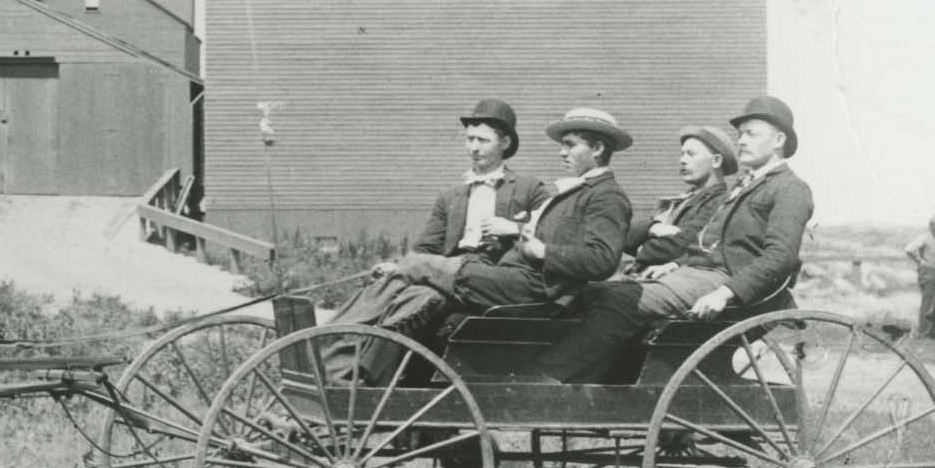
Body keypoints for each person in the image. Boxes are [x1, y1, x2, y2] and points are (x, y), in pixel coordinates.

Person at [329, 106, 633, 385]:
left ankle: (329, 343)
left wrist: (539, 249)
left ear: (597, 148)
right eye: (562, 145)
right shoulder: (577, 191)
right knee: (415, 290)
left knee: (416, 265)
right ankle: (354, 368)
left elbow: (603, 259)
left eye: (569, 145)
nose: (561, 153)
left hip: (530, 287)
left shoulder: (605, 195)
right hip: (510, 278)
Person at [542, 97, 814, 385]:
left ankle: (552, 378)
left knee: (617, 299)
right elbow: (712, 241)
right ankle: (608, 384)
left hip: (726, 281)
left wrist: (725, 293)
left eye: (751, 134)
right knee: (597, 290)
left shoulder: (790, 189)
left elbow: (780, 257)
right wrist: (675, 263)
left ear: (778, 140)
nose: (741, 141)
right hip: (700, 274)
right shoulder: (747, 185)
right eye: (740, 134)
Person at [315, 98, 549, 384]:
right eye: (469, 140)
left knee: (418, 289)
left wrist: (512, 226)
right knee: (410, 293)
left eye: (483, 140)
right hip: (445, 271)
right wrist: (398, 265)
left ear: (504, 143)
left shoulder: (529, 188)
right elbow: (427, 248)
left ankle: (350, 368)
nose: (473, 148)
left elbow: (547, 235)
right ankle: (339, 356)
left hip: (490, 277)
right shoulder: (451, 195)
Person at [623, 125, 737, 274]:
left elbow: (684, 245)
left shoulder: (721, 202)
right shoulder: (682, 200)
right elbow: (628, 231)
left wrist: (641, 247)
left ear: (716, 161)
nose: (682, 160)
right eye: (682, 154)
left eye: (691, 154)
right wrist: (653, 227)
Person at [903, 215, 935, 339]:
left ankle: (932, 333)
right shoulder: (924, 237)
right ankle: (923, 334)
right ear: (932, 226)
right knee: (928, 304)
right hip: (928, 273)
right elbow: (908, 249)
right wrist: (920, 261)